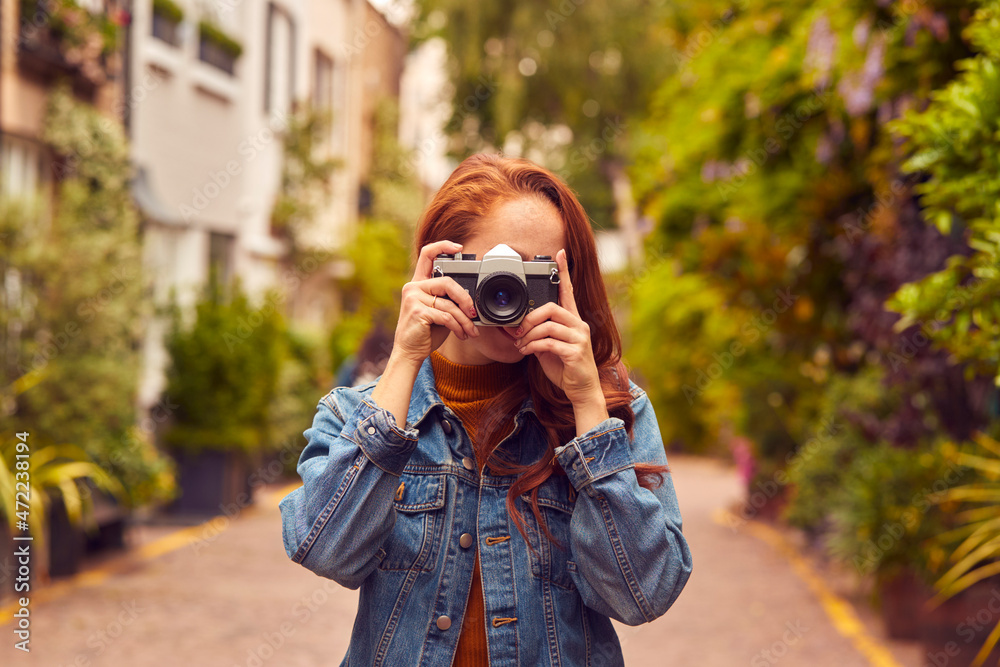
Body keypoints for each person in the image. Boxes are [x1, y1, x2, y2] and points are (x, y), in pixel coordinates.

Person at [279, 154, 693, 666]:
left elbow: (643, 595)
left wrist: (586, 406)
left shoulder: (610, 411)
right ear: (441, 268)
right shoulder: (360, 413)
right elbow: (327, 552)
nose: (512, 295)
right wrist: (406, 358)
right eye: (501, 271)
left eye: (537, 272)